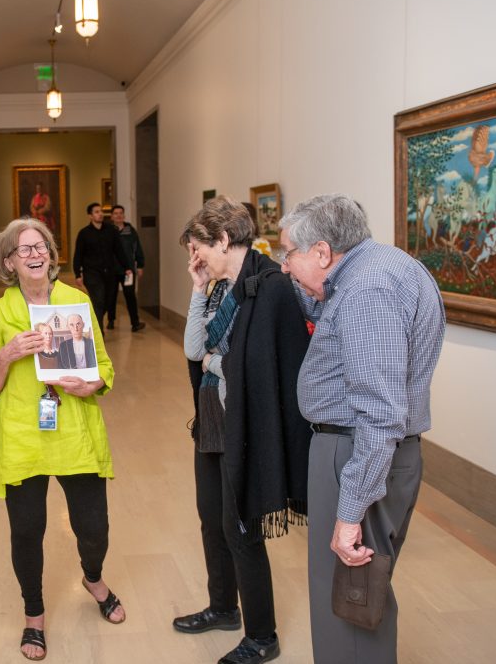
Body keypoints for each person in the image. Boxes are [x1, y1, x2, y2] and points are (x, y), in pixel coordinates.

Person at [278, 194, 445, 664]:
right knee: (360, 594)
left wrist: (350, 512)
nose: (285, 267)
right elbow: (327, 318)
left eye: (288, 253)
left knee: (347, 598)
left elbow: (379, 412)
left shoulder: (368, 290)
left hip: (357, 453)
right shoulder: (382, 266)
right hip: (366, 451)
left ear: (322, 252)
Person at [0, 218, 126, 662]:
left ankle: (93, 577)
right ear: (9, 262)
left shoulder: (76, 301)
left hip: (75, 432)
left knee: (94, 528)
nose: (36, 254)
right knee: (26, 531)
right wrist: (5, 355)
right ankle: (34, 614)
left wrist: (90, 385)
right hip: (22, 437)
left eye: (42, 246)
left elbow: (105, 368)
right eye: (25, 249)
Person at [175, 195, 312, 664]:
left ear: (225, 239)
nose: (196, 259)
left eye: (199, 250)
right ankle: (221, 608)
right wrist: (196, 289)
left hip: (248, 424)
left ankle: (262, 635)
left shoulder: (269, 286)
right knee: (211, 518)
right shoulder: (216, 288)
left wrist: (218, 362)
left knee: (241, 528)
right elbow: (196, 351)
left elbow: (257, 368)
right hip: (213, 418)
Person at [73, 202, 132, 332]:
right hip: (92, 273)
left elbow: (119, 250)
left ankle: (97, 321)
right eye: (96, 212)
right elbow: (78, 255)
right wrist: (77, 274)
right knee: (98, 300)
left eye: (101, 211)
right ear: (90, 215)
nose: (100, 214)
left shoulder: (111, 231)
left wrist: (127, 267)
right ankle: (99, 333)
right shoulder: (84, 233)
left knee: (108, 301)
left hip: (110, 273)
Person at [107, 205, 146, 332]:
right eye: (116, 213)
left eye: (121, 213)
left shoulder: (130, 230)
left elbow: (138, 248)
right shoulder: (107, 230)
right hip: (111, 270)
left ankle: (135, 323)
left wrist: (140, 265)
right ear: (112, 216)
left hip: (128, 270)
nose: (118, 215)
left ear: (124, 215)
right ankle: (111, 320)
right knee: (111, 296)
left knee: (130, 296)